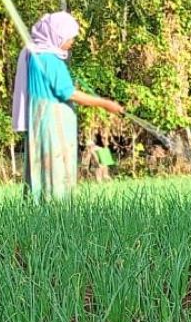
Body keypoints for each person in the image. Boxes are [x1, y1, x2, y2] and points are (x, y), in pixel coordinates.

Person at [11, 12, 124, 202]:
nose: (72, 42)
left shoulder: (35, 56)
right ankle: (56, 206)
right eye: (69, 37)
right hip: (53, 124)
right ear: (57, 36)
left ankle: (38, 204)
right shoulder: (49, 59)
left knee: (40, 166)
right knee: (56, 166)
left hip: (40, 121)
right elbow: (68, 92)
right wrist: (106, 104)